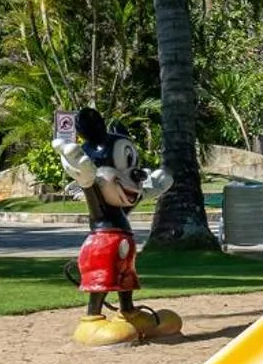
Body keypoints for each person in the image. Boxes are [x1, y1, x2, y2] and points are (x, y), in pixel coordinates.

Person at [55, 109, 182, 348]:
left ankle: (129, 313)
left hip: (121, 243)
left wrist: (154, 189)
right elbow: (89, 182)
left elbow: (130, 202)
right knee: (102, 281)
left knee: (125, 279)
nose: (134, 177)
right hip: (102, 245)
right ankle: (91, 319)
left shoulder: (121, 199)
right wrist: (84, 174)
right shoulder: (95, 192)